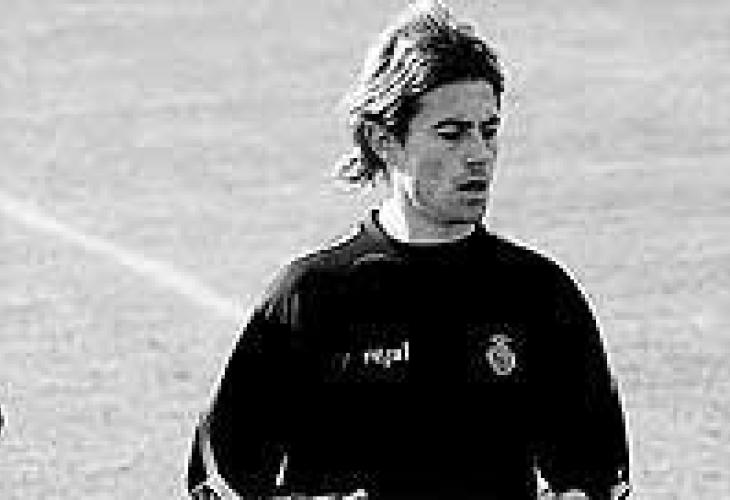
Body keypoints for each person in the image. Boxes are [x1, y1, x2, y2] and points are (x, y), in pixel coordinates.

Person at [186, 1, 631, 498]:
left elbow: (598, 473)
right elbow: (219, 480)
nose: (479, 154)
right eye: (451, 133)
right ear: (384, 140)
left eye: (489, 131)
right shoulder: (314, 297)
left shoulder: (538, 293)